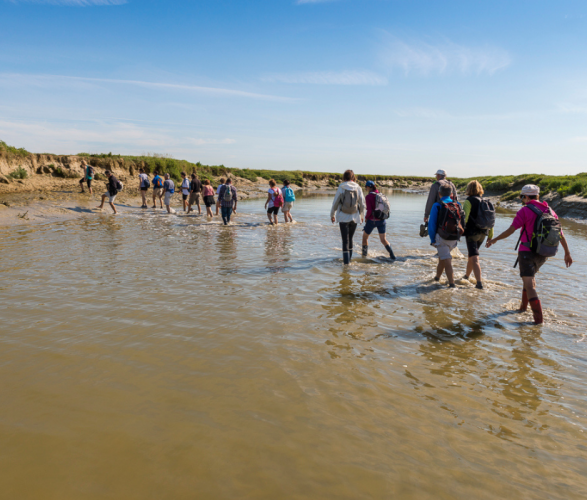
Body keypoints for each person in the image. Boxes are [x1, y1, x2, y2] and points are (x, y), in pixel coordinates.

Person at [486, 184, 573, 324]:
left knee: (529, 284)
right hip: (543, 253)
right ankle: (522, 308)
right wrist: (567, 253)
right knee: (529, 280)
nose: (522, 200)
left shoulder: (525, 211)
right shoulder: (550, 211)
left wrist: (494, 240)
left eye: (522, 197)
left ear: (525, 197)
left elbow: (511, 230)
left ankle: (538, 322)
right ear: (537, 196)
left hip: (527, 252)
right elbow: (560, 234)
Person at [428, 183, 465, 288]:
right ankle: (437, 278)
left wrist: (432, 239)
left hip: (442, 237)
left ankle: (452, 285)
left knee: (447, 261)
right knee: (442, 259)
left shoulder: (437, 205)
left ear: (439, 193)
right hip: (454, 237)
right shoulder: (457, 204)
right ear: (451, 194)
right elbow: (461, 221)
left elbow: (432, 224)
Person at [462, 180, 493, 289]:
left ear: (469, 189)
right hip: (483, 233)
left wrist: (459, 230)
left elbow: (464, 218)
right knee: (472, 255)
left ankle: (479, 283)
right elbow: (491, 221)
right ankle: (466, 276)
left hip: (472, 233)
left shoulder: (468, 201)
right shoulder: (487, 202)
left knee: (474, 258)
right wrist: (490, 236)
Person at [330, 170, 365, 265]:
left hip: (343, 217)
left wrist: (332, 215)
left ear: (344, 177)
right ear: (353, 178)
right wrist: (362, 216)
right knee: (351, 239)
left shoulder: (341, 187)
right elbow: (362, 203)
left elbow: (335, 203)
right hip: (355, 217)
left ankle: (346, 264)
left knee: (345, 240)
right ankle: (349, 261)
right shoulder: (358, 188)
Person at [361, 180, 396, 260]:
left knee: (365, 238)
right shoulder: (381, 194)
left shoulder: (368, 197)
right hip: (382, 220)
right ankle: (392, 256)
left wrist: (366, 218)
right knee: (383, 240)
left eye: (366, 187)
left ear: (369, 187)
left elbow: (369, 210)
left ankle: (364, 257)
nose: (365, 188)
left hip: (372, 221)